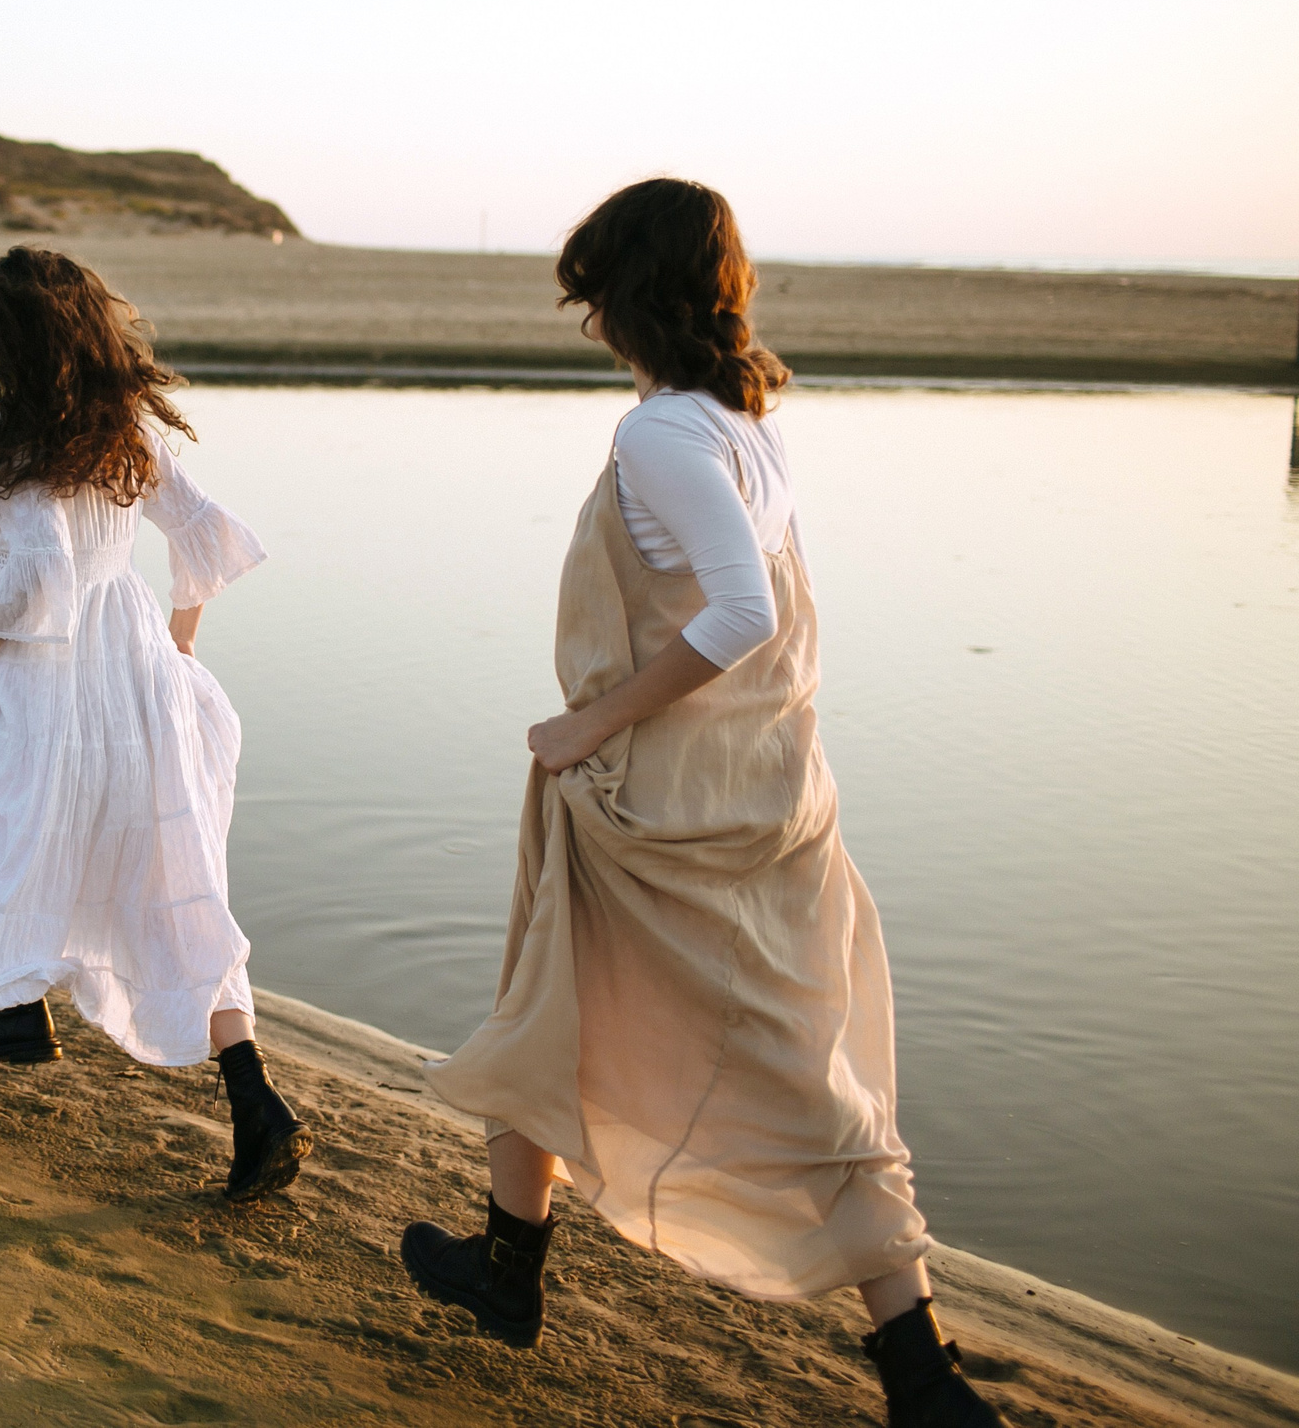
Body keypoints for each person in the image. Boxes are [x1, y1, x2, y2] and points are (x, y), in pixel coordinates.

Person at [405, 181, 1003, 1427]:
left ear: (628, 296)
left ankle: (922, 1376)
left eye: (590, 294)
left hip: (660, 807)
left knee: (777, 1069)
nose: (585, 319)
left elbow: (743, 613)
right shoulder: (744, 422)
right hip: (757, 787)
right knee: (565, 1009)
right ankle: (508, 1268)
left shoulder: (661, 438)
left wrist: (589, 724)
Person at [0, 245, 310, 1203]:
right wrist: (179, 642)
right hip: (134, 664)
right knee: (177, 880)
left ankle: (16, 1002)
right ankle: (254, 1098)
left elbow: (37, 576)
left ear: (7, 341)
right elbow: (203, 530)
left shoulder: (8, 433)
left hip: (53, 666)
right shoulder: (124, 422)